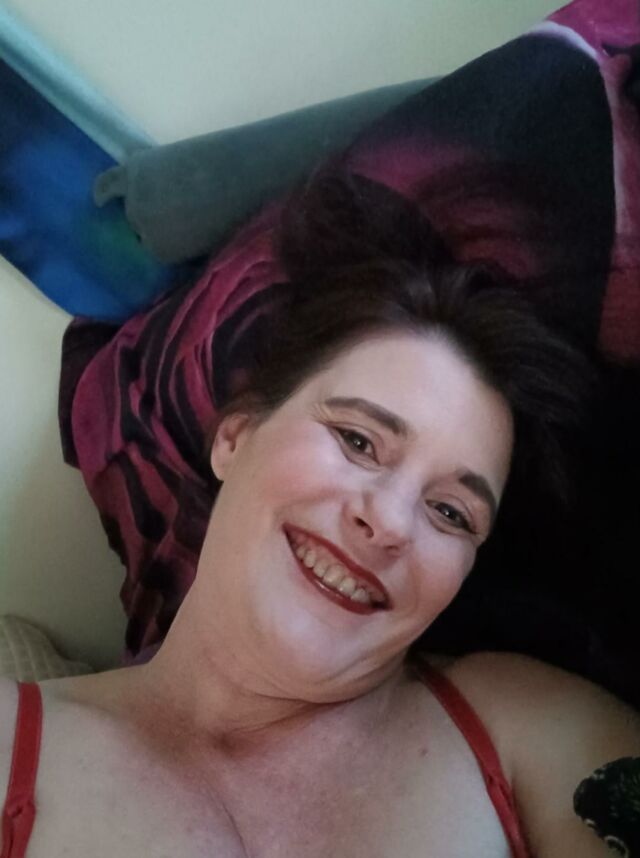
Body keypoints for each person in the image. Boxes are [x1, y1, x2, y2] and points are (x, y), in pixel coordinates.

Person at [1, 169, 638, 858]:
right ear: (235, 437)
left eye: (451, 513)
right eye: (358, 441)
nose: (389, 522)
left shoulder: (531, 728)